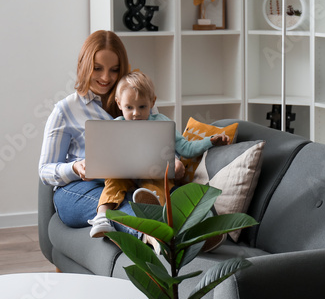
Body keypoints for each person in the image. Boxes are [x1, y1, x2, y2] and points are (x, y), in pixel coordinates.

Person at [89, 70, 230, 237]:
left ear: (152, 101)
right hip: (125, 174)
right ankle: (102, 217)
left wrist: (210, 141)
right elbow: (106, 154)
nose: (136, 113)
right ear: (119, 104)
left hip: (155, 174)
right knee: (113, 180)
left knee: (156, 185)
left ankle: (163, 222)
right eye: (129, 107)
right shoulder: (115, 126)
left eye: (142, 107)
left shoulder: (162, 121)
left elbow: (186, 148)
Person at [38, 30, 143, 238]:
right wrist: (75, 168)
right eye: (97, 69)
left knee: (147, 197)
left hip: (129, 184)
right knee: (120, 203)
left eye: (114, 70)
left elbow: (160, 139)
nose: (106, 78)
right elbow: (45, 170)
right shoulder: (65, 110)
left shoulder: (138, 100)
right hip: (80, 189)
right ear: (84, 66)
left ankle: (186, 235)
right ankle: (151, 234)